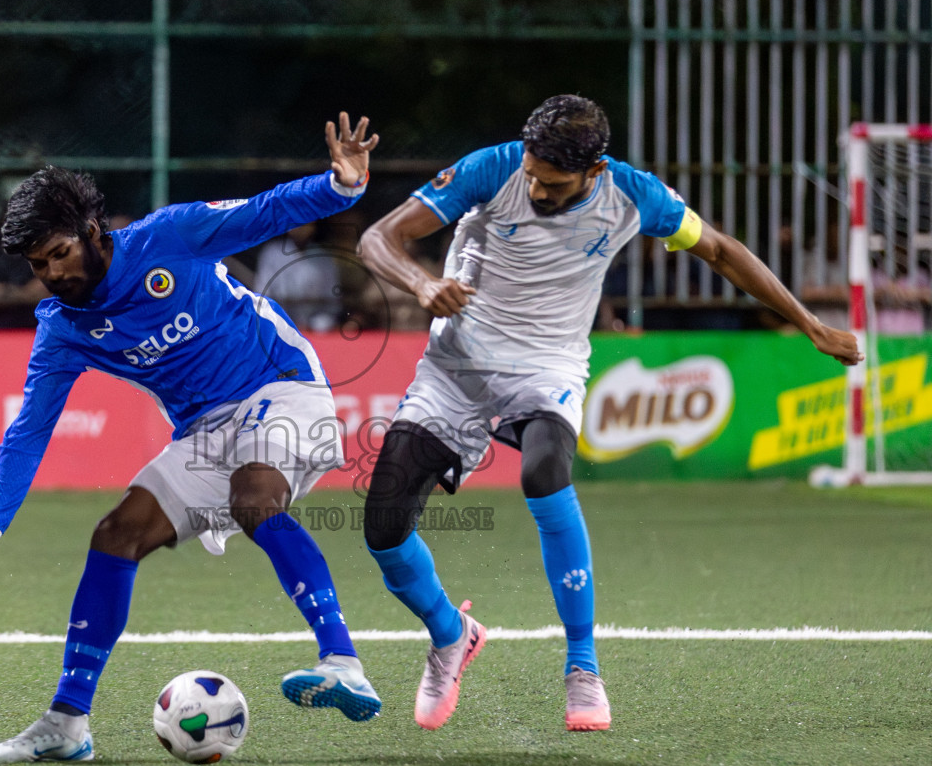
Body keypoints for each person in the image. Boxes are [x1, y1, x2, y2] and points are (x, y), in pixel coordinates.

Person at [355, 94, 862, 733]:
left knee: (545, 472)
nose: (536, 188)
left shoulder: (634, 196)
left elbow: (724, 251)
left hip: (548, 369)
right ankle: (451, 635)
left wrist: (808, 323)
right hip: (456, 368)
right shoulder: (492, 169)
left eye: (553, 182)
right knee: (383, 527)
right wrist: (422, 284)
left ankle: (582, 666)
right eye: (532, 174)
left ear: (594, 171)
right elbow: (381, 238)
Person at [0, 112, 382, 764]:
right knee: (116, 534)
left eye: (60, 254)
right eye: (39, 264)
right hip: (207, 430)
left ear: (91, 232)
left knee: (254, 498)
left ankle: (341, 662)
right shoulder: (64, 328)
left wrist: (341, 187)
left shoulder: (171, 236)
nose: (53, 273)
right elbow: (29, 431)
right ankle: (66, 724)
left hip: (282, 387)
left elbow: (266, 212)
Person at [254, 221, 343, 331]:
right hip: (280, 314)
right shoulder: (272, 252)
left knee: (323, 324)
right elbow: (262, 290)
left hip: (315, 319)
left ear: (313, 227)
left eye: (305, 225)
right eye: (296, 224)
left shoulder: (323, 256)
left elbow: (332, 296)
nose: (300, 229)